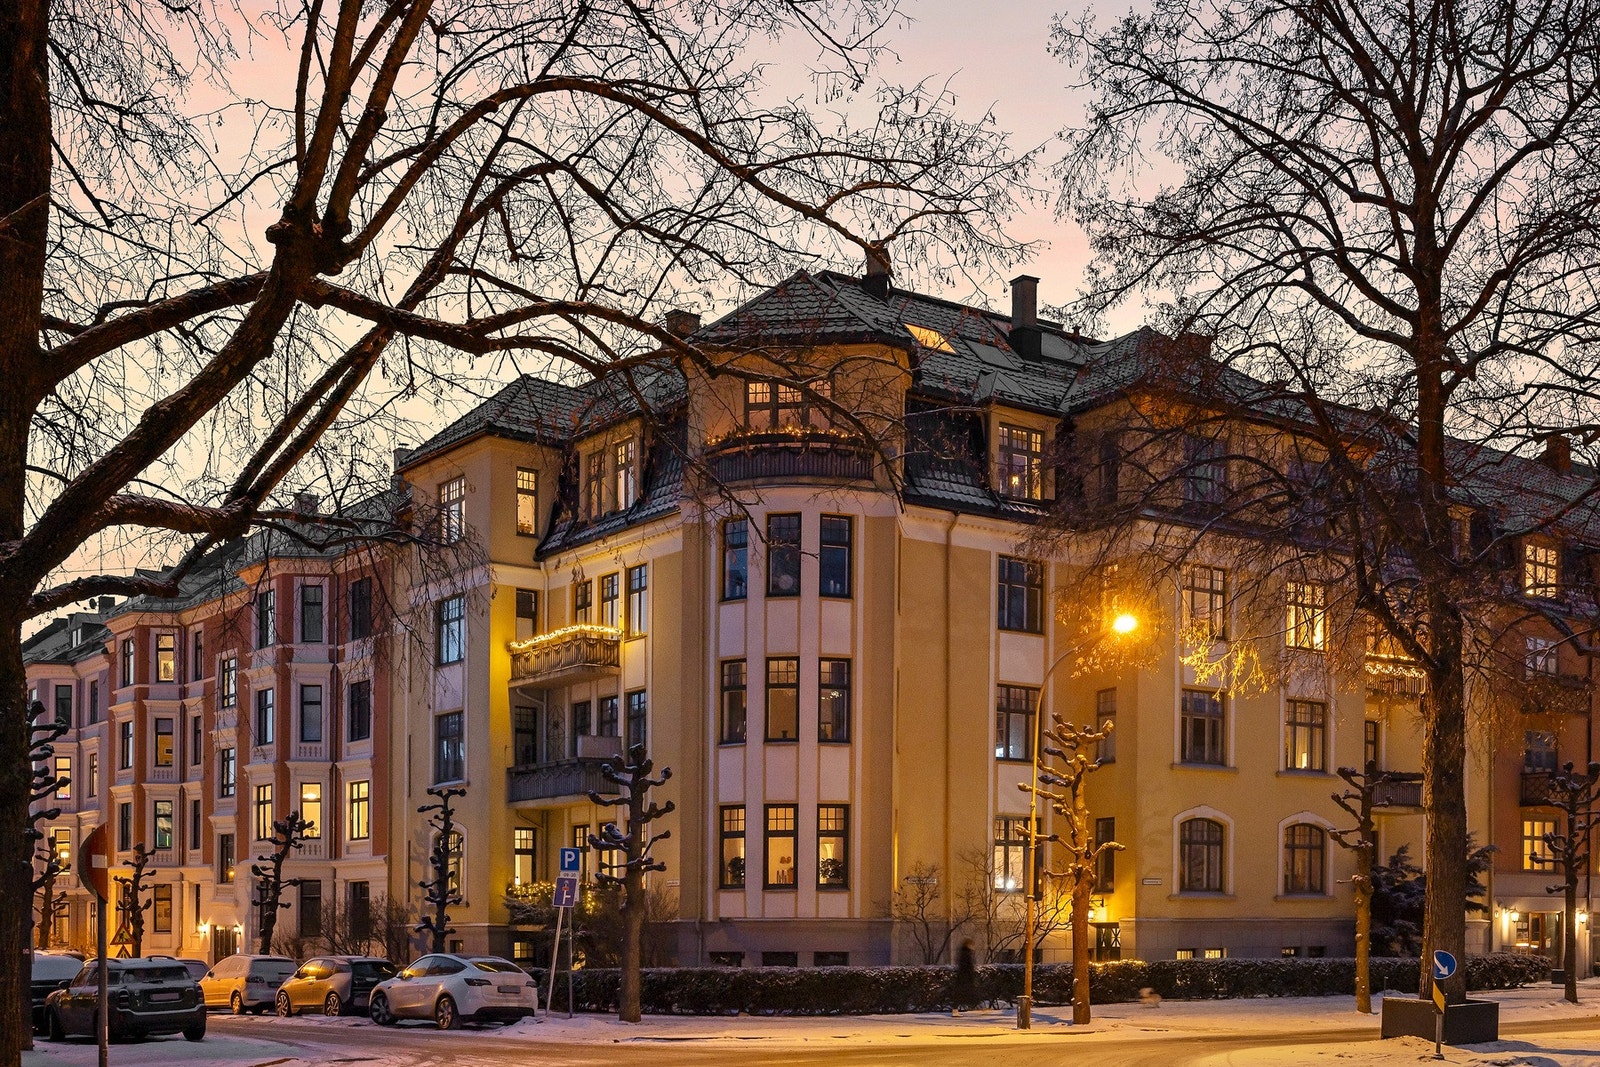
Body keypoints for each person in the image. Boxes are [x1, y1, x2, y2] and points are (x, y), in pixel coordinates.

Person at [951, 938, 977, 1015]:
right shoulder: (966, 953)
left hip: (962, 977)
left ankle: (955, 1010)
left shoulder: (963, 952)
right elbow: (968, 966)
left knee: (959, 994)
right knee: (968, 992)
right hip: (965, 977)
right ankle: (978, 1006)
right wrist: (971, 975)